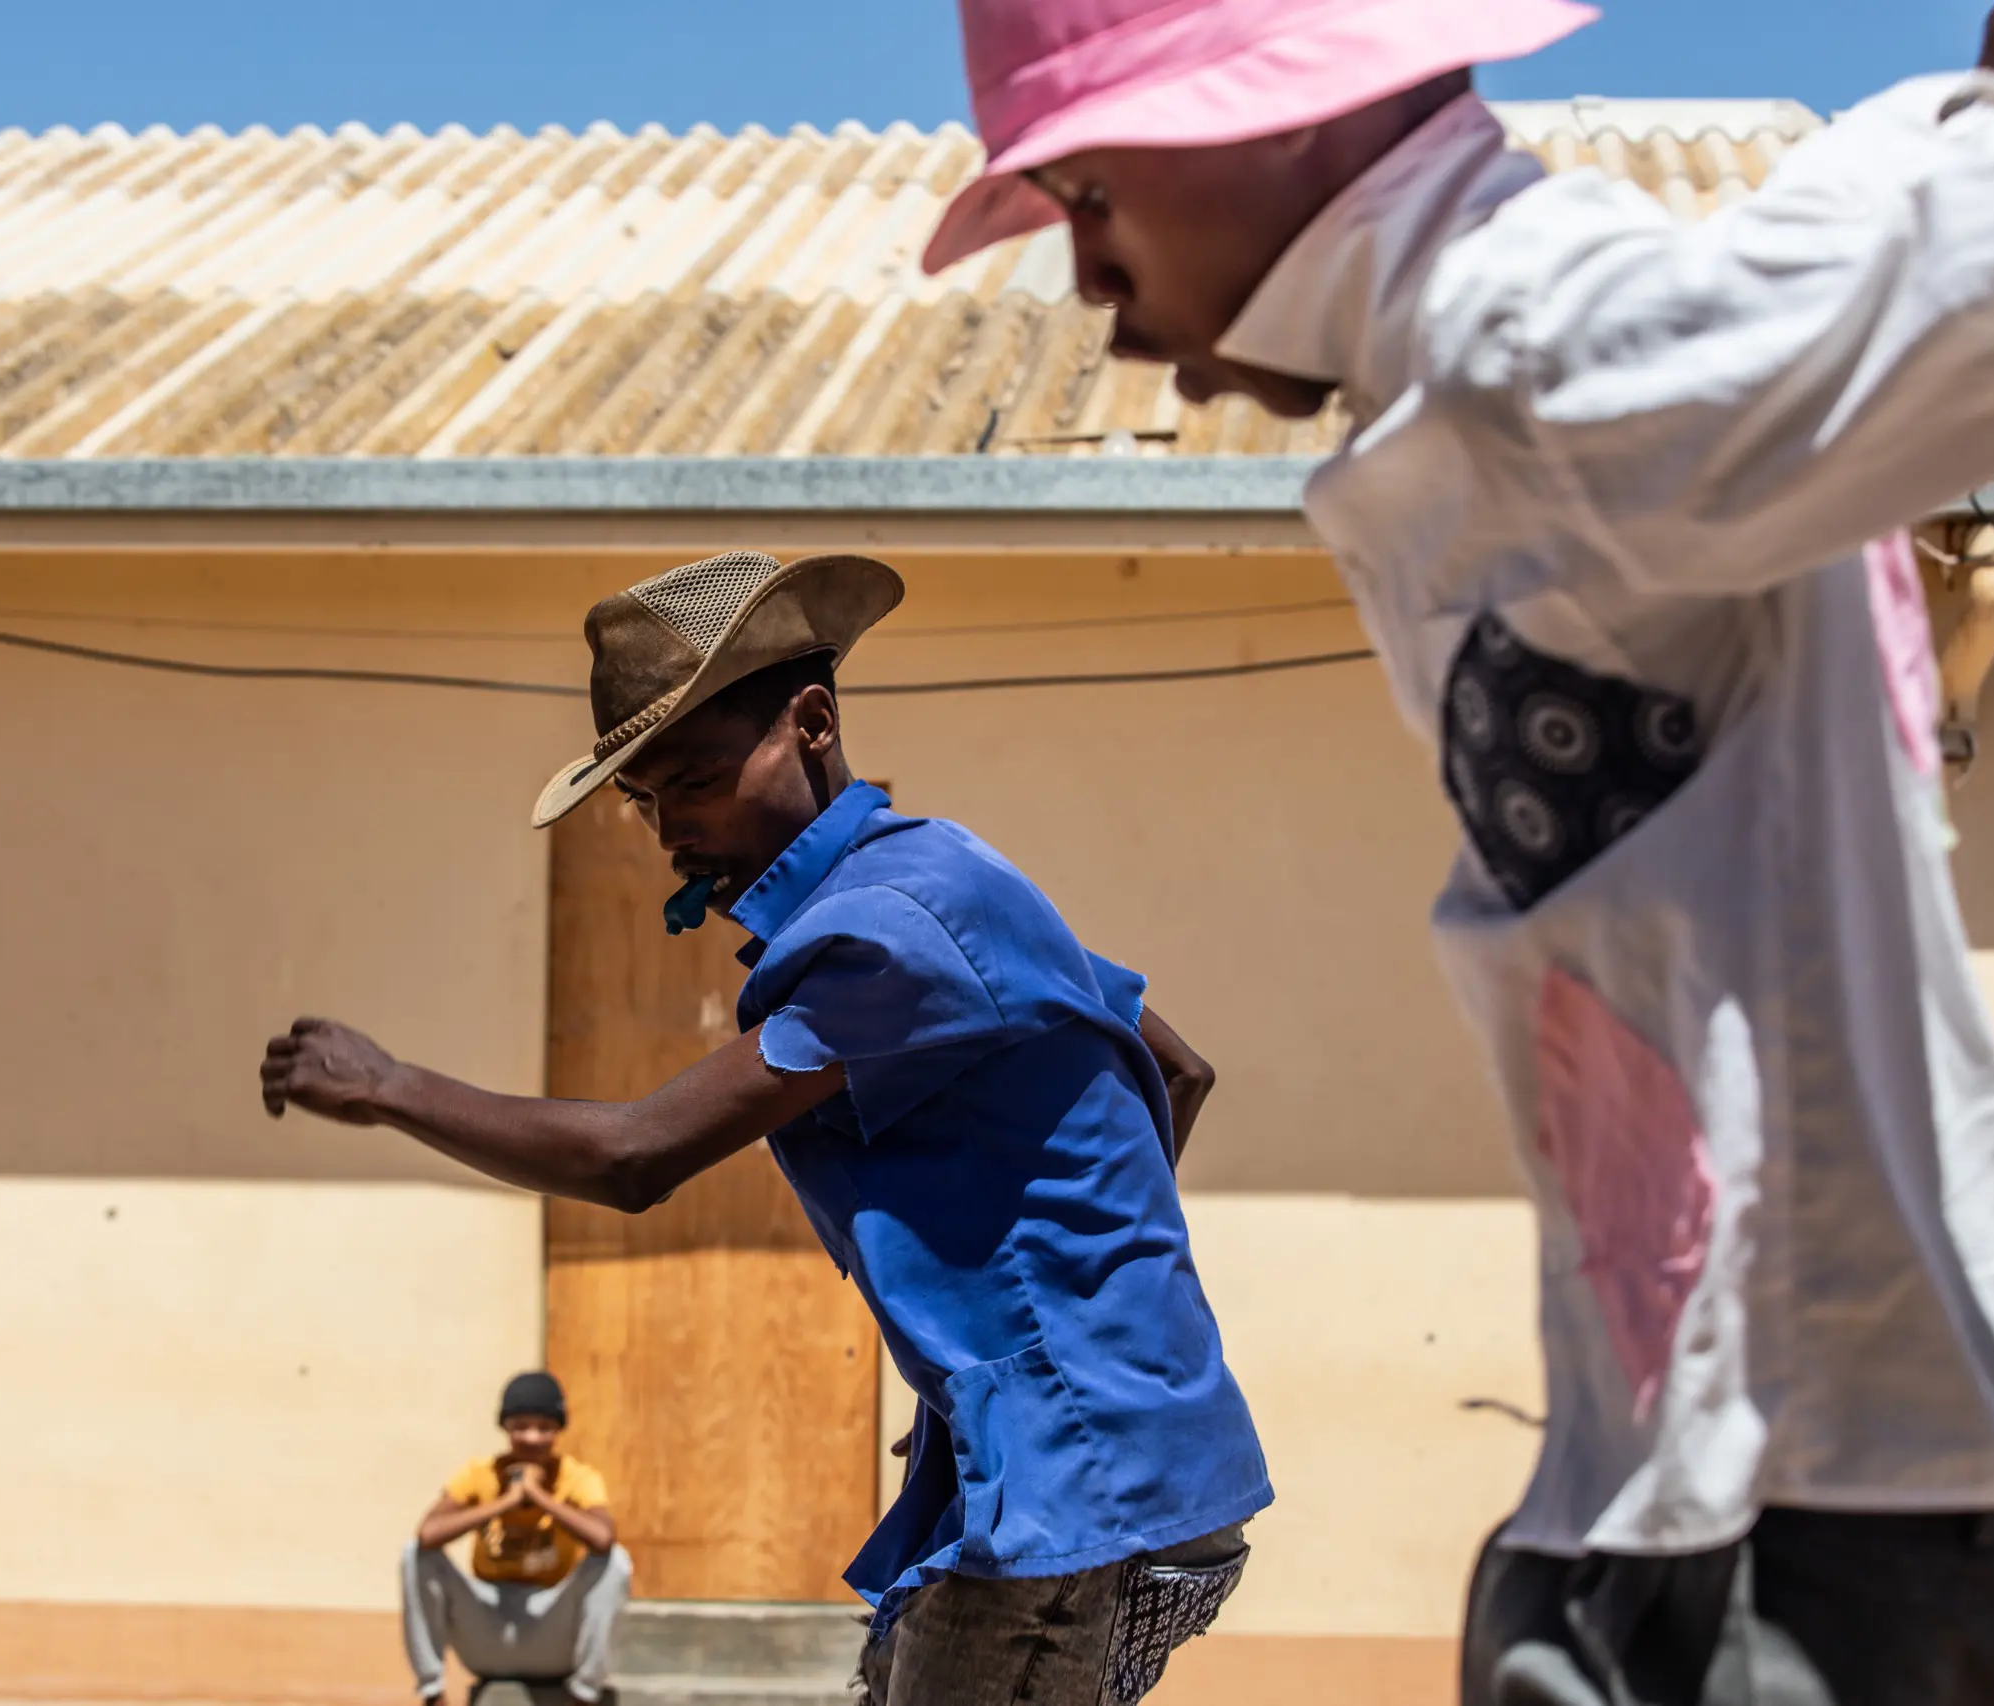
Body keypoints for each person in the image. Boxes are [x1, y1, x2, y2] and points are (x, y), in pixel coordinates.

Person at [918, 0, 1994, 1700]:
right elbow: (1816, 263)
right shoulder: (1474, 363)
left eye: (1094, 198)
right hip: (1702, 1451)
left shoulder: (1526, 333)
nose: (1092, 292)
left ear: (1271, 120)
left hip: (1859, 1472)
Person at [265, 550, 1269, 1706]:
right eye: (641, 801)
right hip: (1109, 1452)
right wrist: (1069, 1335)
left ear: (810, 720)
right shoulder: (953, 874)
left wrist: (390, 1085)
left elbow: (635, 1155)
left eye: (691, 781)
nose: (665, 831)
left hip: (1079, 1484)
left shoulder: (883, 929)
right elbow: (1175, 1070)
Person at [401, 1371, 630, 1705]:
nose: (532, 1438)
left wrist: (540, 1497)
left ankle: (584, 1694)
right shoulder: (478, 1474)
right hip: (488, 1631)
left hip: (550, 1632)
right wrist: (505, 1502)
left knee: (615, 1563)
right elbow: (427, 1534)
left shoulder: (579, 1477)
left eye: (544, 1427)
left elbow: (602, 1538)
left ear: (558, 1430)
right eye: (520, 1426)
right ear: (505, 1428)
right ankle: (433, 1692)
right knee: (415, 1556)